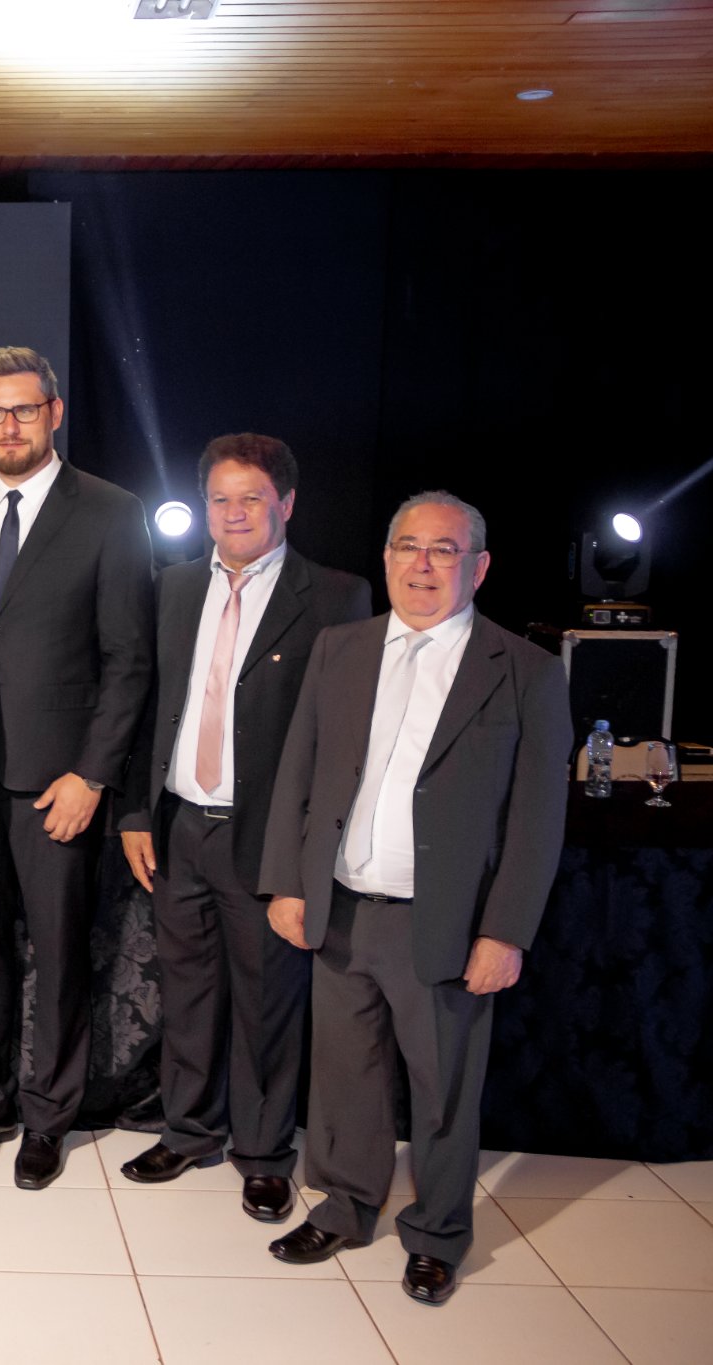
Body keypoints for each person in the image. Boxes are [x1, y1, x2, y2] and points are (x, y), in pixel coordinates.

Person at [259, 491, 570, 1305]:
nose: (422, 565)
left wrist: (505, 932)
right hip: (343, 909)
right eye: (407, 547)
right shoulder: (341, 647)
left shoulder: (526, 672)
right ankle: (348, 1204)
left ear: (479, 567)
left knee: (442, 1091)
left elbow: (539, 820)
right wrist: (287, 881)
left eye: (443, 550)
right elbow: (298, 772)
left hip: (446, 923)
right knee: (345, 1077)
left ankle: (436, 1234)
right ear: (387, 557)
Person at [113, 435, 372, 1222]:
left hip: (269, 838)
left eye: (250, 498)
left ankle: (263, 1153)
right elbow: (147, 706)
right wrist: (134, 810)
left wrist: (306, 853)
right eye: (220, 499)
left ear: (286, 504)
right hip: (178, 823)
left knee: (267, 1003)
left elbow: (341, 741)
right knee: (186, 991)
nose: (233, 513)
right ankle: (191, 1129)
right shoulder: (173, 585)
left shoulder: (334, 595)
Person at [0, 346, 155, 1189]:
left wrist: (92, 774)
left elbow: (130, 659)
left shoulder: (110, 510)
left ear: (55, 413)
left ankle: (49, 1116)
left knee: (58, 959)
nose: (9, 425)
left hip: (58, 786)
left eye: (24, 409)